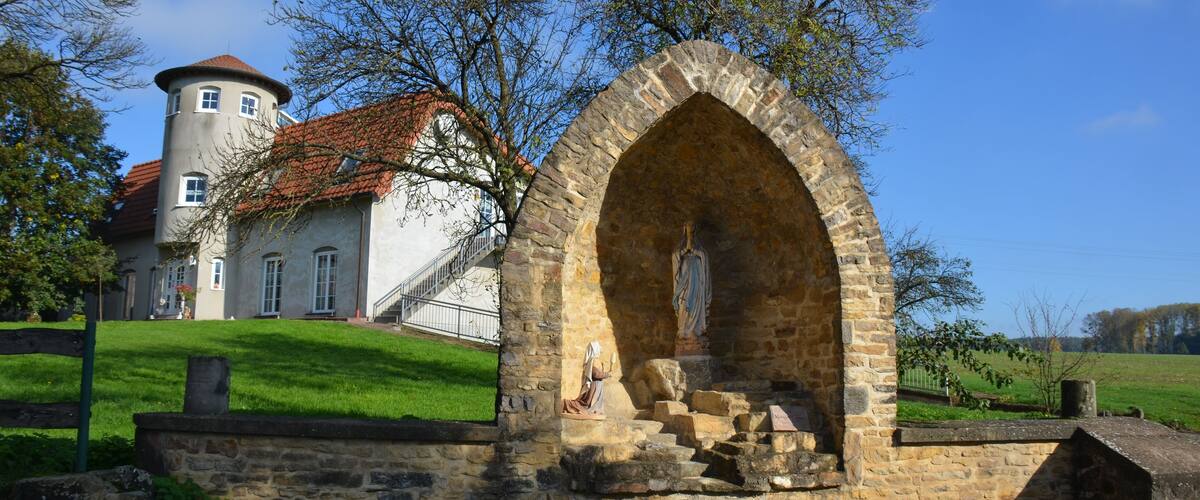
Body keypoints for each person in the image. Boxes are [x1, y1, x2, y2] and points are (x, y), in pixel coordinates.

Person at [561, 341, 608, 420]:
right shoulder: (594, 360)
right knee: (588, 403)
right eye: (599, 348)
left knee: (592, 402)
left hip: (597, 384)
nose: (600, 350)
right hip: (595, 385)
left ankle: (594, 410)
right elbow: (596, 374)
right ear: (595, 349)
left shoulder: (594, 360)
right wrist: (606, 374)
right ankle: (566, 404)